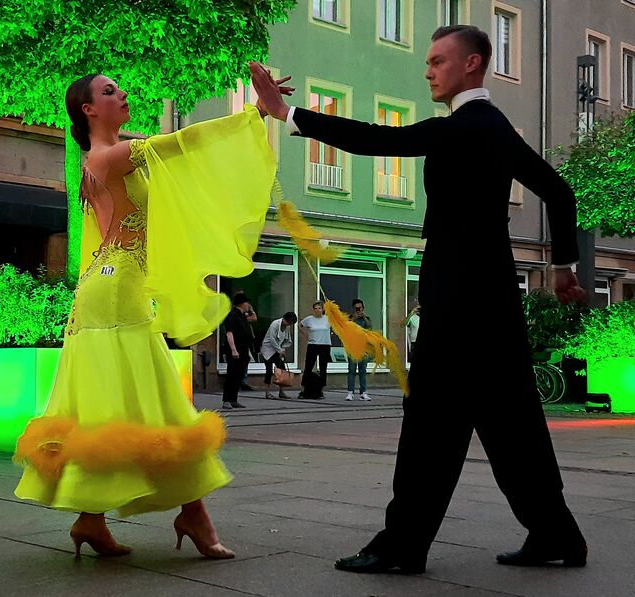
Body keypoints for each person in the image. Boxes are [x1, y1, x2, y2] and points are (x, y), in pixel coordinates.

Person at [251, 24, 587, 574]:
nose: (428, 71)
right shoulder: (494, 126)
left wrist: (287, 114)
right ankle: (556, 534)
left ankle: (403, 546)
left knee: (432, 425)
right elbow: (557, 188)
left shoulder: (466, 125)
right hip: (492, 298)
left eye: (437, 61)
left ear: (472, 63)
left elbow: (377, 140)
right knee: (511, 425)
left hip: (459, 299)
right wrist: (562, 266)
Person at [14, 74, 278, 561]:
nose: (122, 94)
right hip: (117, 290)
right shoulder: (111, 157)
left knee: (113, 401)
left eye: (120, 89)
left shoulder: (103, 158)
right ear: (88, 110)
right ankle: (191, 513)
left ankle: (93, 518)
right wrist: (256, 112)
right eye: (109, 91)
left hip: (110, 286)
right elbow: (184, 142)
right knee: (151, 397)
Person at [222, 292, 252, 410]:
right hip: (235, 350)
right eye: (246, 303)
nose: (248, 305)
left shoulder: (242, 316)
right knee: (232, 375)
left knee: (239, 375)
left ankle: (234, 399)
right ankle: (226, 400)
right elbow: (229, 333)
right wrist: (233, 350)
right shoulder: (232, 315)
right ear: (242, 304)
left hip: (243, 349)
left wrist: (247, 351)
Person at [260, 311, 297, 400]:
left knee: (282, 370)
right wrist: (279, 350)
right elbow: (272, 339)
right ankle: (267, 392)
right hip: (268, 349)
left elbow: (287, 340)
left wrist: (282, 349)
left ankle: (281, 392)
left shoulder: (287, 327)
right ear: (284, 319)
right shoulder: (275, 324)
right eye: (288, 322)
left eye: (290, 324)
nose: (288, 324)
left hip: (278, 350)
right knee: (269, 371)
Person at [299, 301, 331, 399]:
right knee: (308, 367)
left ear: (323, 309)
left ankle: (320, 390)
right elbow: (300, 325)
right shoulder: (309, 319)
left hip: (325, 345)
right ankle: (303, 389)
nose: (317, 310)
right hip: (313, 345)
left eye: (319, 308)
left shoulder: (328, 319)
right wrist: (306, 335)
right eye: (315, 308)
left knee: (323, 368)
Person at [345, 299, 371, 402]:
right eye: (357, 308)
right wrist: (354, 318)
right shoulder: (349, 318)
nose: (359, 310)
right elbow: (346, 328)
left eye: (360, 308)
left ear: (363, 308)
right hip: (352, 347)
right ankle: (350, 392)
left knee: (362, 370)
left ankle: (363, 392)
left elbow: (369, 328)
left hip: (363, 347)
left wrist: (363, 317)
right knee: (351, 370)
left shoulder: (366, 318)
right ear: (353, 308)